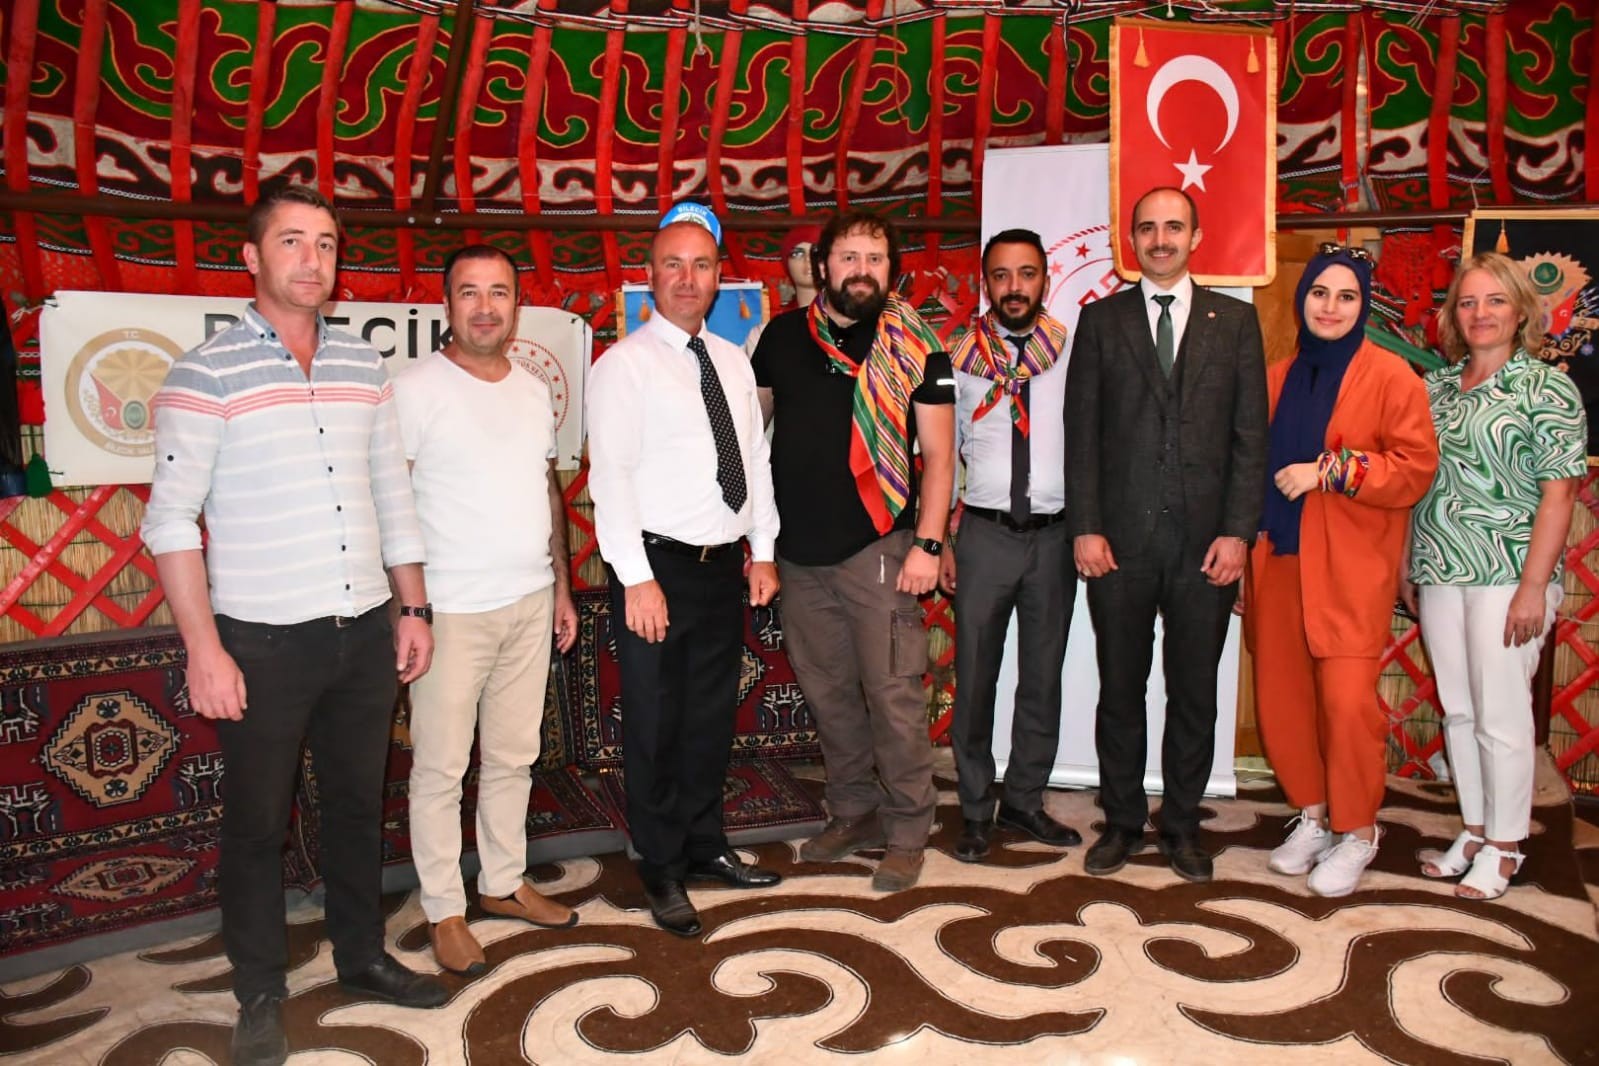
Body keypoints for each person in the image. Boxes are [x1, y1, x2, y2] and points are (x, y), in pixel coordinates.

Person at [142, 183, 446, 1066]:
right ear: (252, 257)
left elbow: (391, 492)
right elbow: (170, 521)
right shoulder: (205, 374)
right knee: (256, 824)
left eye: (325, 243)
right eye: (291, 241)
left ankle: (361, 957)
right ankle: (260, 991)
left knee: (356, 805)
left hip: (363, 626)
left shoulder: (362, 363)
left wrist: (412, 604)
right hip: (263, 640)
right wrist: (204, 650)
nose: (312, 260)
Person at [587, 203, 783, 937]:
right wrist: (635, 577)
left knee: (708, 717)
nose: (687, 278)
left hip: (721, 569)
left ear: (718, 278)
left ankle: (705, 843)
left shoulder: (732, 360)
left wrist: (763, 551)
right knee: (656, 722)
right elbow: (610, 478)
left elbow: (755, 462)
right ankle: (661, 864)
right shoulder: (624, 366)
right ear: (649, 275)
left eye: (701, 265)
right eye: (673, 264)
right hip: (656, 569)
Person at [1064, 186, 1268, 884]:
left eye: (1173, 227)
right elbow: (1081, 432)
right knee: (1120, 691)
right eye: (1147, 228)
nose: (1160, 239)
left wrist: (1238, 533)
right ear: (1131, 239)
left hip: (1206, 547)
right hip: (1117, 545)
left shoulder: (1234, 321)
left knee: (1194, 694)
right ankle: (1122, 822)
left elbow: (1250, 437)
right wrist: (1085, 527)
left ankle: (1182, 825)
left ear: (1195, 236)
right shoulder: (1101, 321)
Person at [753, 210, 957, 892]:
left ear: (891, 270)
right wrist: (756, 540)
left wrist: (927, 544)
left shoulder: (917, 346)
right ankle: (852, 812)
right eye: (848, 257)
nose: (861, 270)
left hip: (881, 549)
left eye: (874, 258)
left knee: (893, 696)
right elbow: (750, 440)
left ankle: (907, 830)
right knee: (829, 694)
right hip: (797, 552)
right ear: (822, 266)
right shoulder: (781, 337)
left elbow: (939, 456)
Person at [396, 244, 581, 977]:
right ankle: (444, 908)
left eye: (498, 292)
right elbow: (392, 503)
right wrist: (410, 608)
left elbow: (545, 491)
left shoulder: (532, 391)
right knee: (440, 767)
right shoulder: (415, 389)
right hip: (449, 609)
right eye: (468, 292)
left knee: (513, 755)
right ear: (447, 305)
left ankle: (502, 881)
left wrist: (561, 585)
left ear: (516, 306)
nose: (484, 307)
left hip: (528, 599)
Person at [1243, 243, 1437, 897]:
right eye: (1320, 293)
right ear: (1303, 301)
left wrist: (1330, 471)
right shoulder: (1277, 377)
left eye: (1346, 295)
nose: (1331, 307)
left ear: (1363, 305)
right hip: (1277, 557)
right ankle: (1314, 814)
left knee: (1347, 701)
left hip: (1350, 567)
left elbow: (1414, 467)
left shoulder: (1390, 377)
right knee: (1283, 697)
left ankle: (1357, 831)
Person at [1403, 251, 1586, 901]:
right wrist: (1408, 561)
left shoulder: (1546, 388)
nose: (1480, 313)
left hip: (1508, 573)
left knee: (1501, 714)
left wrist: (1534, 588)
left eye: (1494, 300)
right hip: (1440, 568)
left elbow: (1560, 493)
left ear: (1520, 310)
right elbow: (1417, 482)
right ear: (1454, 315)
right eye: (1468, 302)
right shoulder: (1436, 389)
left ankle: (1506, 845)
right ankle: (1476, 830)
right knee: (1458, 711)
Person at [940, 228, 1081, 863]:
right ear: (985, 284)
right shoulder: (958, 357)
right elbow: (939, 454)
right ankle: (975, 809)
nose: (1014, 287)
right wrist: (939, 538)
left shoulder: (1071, 353)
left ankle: (1024, 799)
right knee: (975, 677)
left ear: (1044, 281)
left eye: (1026, 274)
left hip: (1054, 537)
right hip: (983, 536)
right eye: (1001, 275)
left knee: (1042, 677)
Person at [745, 225, 821, 358]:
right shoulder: (765, 334)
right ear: (787, 262)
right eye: (797, 254)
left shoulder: (849, 327)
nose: (808, 260)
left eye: (816, 252)